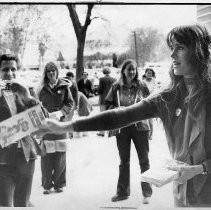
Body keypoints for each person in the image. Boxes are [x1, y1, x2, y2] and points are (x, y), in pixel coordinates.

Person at [37, 24, 211, 207]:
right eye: (172, 48)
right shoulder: (169, 96)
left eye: (180, 48)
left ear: (198, 52)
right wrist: (66, 126)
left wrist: (202, 168)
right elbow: (121, 115)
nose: (172, 55)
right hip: (183, 195)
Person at [104, 60, 152, 204]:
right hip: (122, 128)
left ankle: (147, 192)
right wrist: (115, 110)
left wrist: (151, 127)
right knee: (124, 161)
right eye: (129, 69)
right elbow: (107, 105)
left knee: (144, 160)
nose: (132, 72)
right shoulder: (116, 87)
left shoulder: (143, 86)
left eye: (134, 69)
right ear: (123, 70)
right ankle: (122, 192)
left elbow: (151, 104)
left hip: (140, 128)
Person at [0, 54, 41, 207]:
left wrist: (28, 97)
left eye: (13, 69)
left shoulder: (26, 90)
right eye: (5, 69)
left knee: (22, 203)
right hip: (3, 160)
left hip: (26, 157)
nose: (10, 73)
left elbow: (41, 120)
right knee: (4, 204)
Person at [38, 62, 74, 194]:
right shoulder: (41, 89)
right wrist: (46, 115)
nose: (51, 73)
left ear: (57, 72)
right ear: (46, 74)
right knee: (46, 155)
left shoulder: (64, 87)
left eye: (53, 71)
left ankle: (59, 184)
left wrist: (60, 113)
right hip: (47, 125)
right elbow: (36, 106)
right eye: (49, 71)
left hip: (60, 124)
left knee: (60, 155)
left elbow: (70, 103)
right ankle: (47, 185)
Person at [97, 67, 116, 137]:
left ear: (103, 72)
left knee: (102, 116)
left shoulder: (101, 79)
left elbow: (99, 90)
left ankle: (102, 132)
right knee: (111, 116)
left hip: (103, 99)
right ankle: (111, 132)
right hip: (111, 100)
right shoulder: (114, 79)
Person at [142, 68, 157, 140]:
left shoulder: (154, 81)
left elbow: (156, 91)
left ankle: (151, 135)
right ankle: (146, 134)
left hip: (152, 101)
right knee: (145, 119)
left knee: (151, 120)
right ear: (145, 74)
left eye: (151, 73)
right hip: (144, 102)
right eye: (148, 73)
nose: (149, 74)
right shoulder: (143, 82)